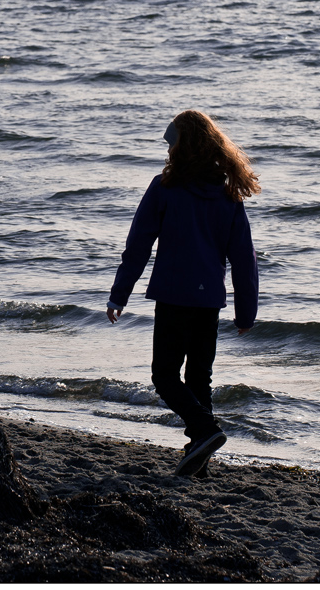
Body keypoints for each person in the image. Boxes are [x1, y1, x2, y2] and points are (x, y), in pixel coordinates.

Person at [107, 110, 260, 477]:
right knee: (198, 380)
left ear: (182, 147)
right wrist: (246, 312)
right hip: (208, 302)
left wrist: (119, 294)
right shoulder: (229, 195)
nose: (168, 151)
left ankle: (205, 432)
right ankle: (199, 457)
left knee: (164, 376)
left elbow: (138, 246)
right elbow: (245, 260)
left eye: (171, 143)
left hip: (174, 296)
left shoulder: (165, 187)